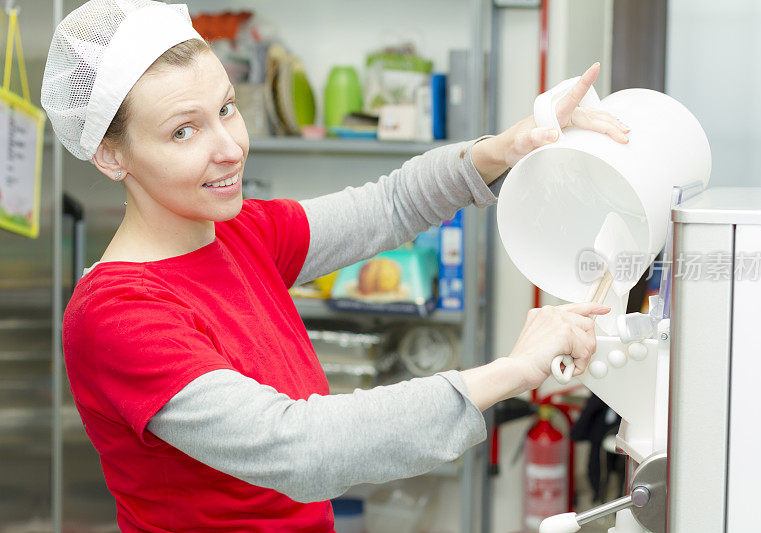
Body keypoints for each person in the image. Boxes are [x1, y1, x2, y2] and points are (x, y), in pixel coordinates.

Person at [43, 1, 628, 531]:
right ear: (111, 155)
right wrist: (512, 370)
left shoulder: (242, 232)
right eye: (183, 131)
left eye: (226, 108)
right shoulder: (118, 316)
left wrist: (509, 146)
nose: (229, 147)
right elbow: (300, 448)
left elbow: (390, 205)